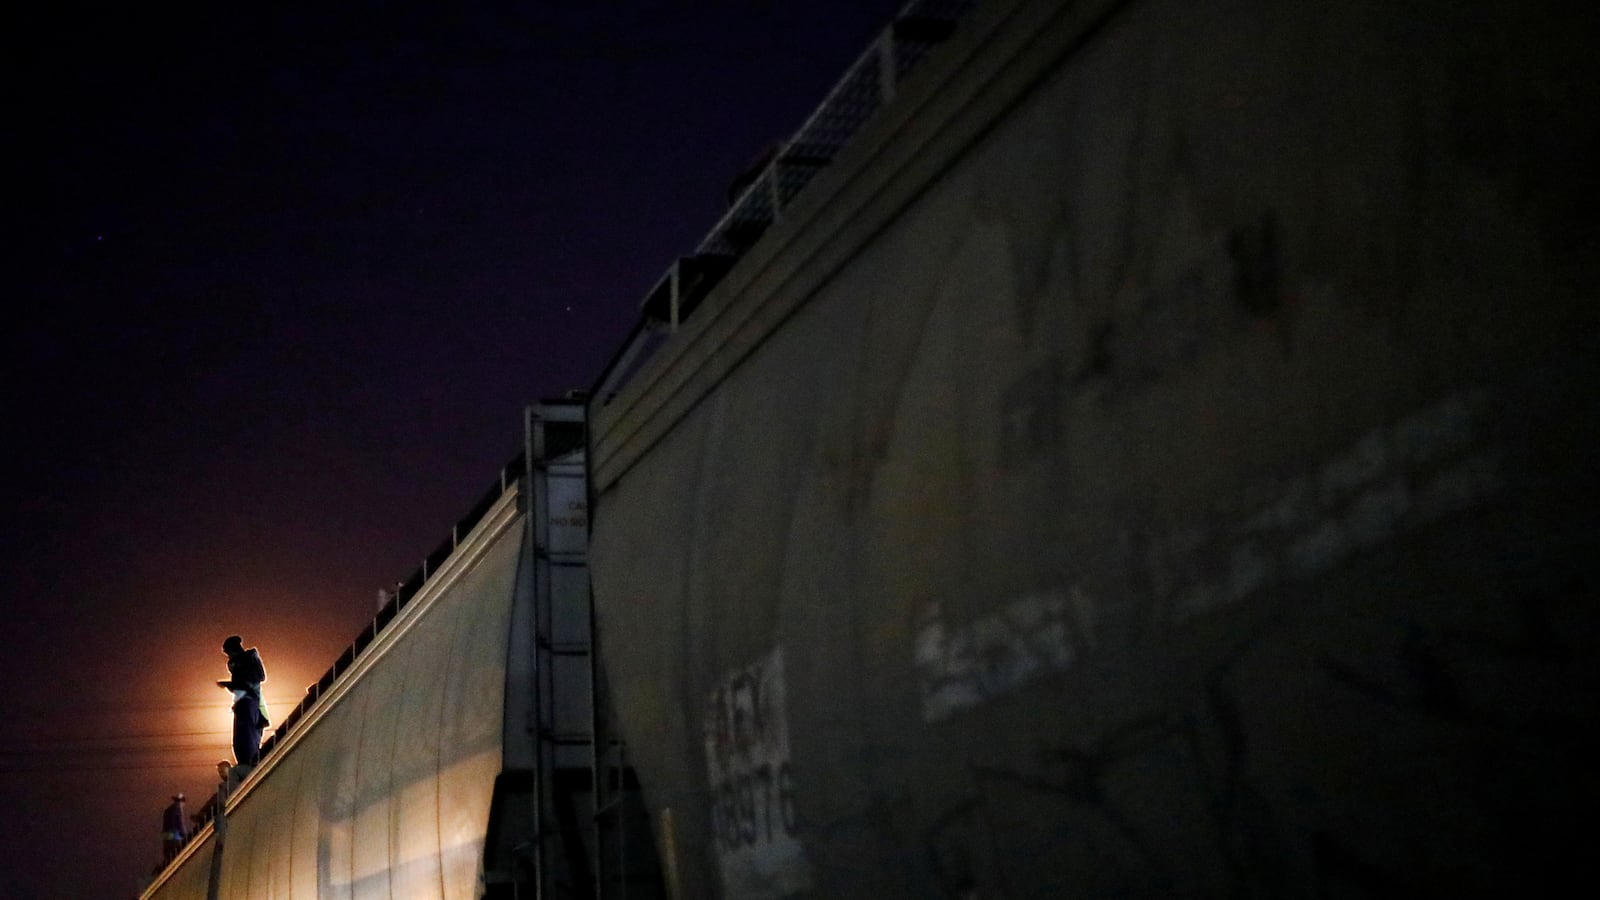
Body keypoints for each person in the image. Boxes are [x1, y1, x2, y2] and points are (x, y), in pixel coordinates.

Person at [217, 635, 269, 767]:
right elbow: (240, 685)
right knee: (241, 741)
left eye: (229, 653)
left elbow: (256, 679)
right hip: (243, 704)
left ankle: (249, 765)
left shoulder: (249, 659)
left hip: (250, 703)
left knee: (248, 740)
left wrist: (231, 685)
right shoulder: (239, 663)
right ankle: (246, 764)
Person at [161, 793, 190, 862]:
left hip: (166, 836)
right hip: (174, 834)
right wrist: (184, 835)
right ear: (181, 802)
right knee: (176, 852)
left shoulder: (167, 810)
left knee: (168, 854)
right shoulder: (178, 809)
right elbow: (180, 824)